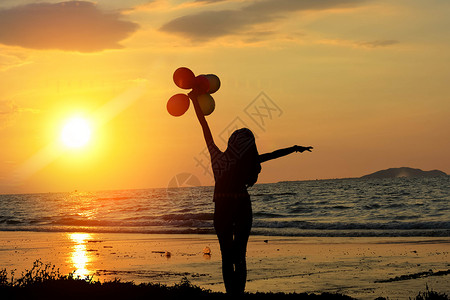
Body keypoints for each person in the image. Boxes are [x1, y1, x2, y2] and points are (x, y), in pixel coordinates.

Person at [189, 91, 312, 295]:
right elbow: (273, 155)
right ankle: (238, 294)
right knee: (239, 256)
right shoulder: (248, 163)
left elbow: (205, 127)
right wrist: (295, 148)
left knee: (228, 256)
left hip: (223, 210)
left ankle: (232, 294)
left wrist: (194, 101)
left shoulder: (218, 158)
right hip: (242, 207)